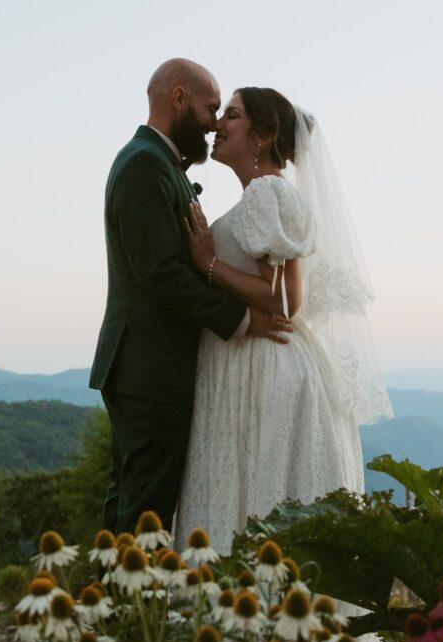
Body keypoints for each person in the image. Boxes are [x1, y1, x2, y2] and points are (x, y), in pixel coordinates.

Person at [177, 87, 393, 553]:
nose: (218, 125)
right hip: (254, 359)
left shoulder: (266, 191)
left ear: (263, 135)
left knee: (256, 490)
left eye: (231, 116)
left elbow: (285, 297)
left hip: (263, 366)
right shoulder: (265, 193)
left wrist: (208, 265)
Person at [89, 60, 293, 537]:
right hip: (148, 366)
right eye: (209, 108)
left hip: (148, 365)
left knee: (133, 503)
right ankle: (128, 607)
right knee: (145, 512)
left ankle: (114, 605)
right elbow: (160, 273)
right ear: (178, 99)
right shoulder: (144, 164)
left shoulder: (159, 164)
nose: (213, 122)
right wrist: (243, 319)